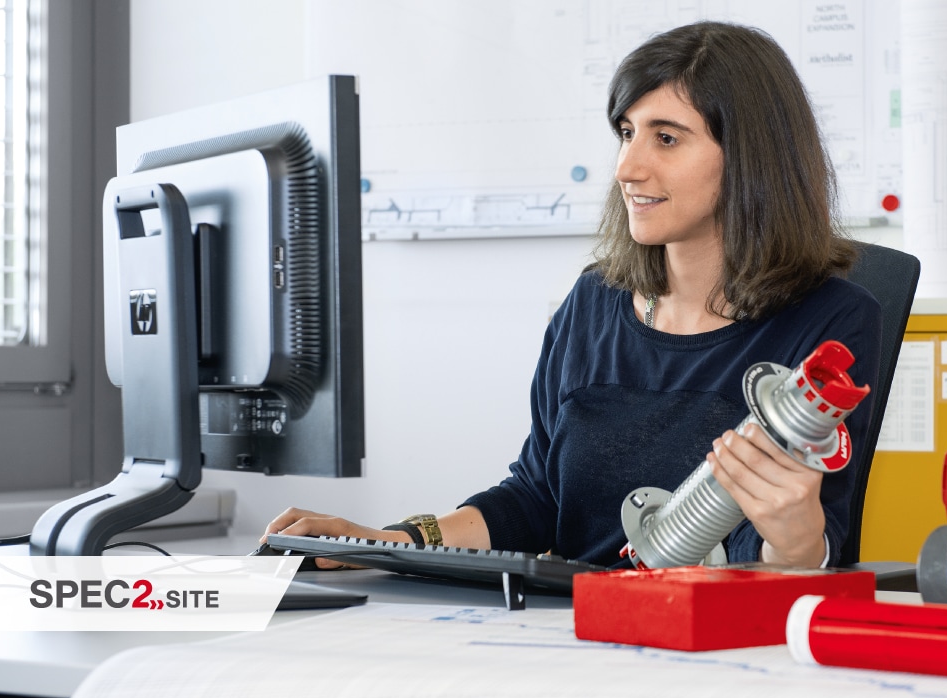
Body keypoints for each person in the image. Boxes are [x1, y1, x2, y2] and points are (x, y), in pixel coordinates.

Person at [265, 20, 881, 570]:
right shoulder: (594, 301)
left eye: (666, 138)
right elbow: (536, 497)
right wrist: (385, 542)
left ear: (750, 157)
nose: (627, 167)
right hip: (569, 629)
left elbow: (792, 543)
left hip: (714, 637)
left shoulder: (832, 323)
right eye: (626, 133)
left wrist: (795, 543)